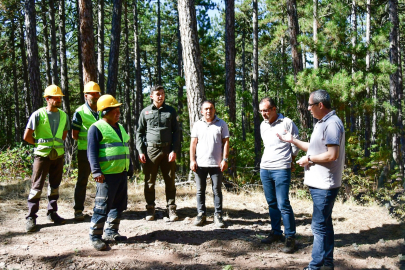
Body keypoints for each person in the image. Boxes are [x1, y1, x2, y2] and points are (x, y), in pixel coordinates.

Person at [277, 90, 345, 270]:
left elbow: (332, 155)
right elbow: (312, 147)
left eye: (310, 105)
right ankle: (328, 263)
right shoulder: (322, 123)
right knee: (325, 224)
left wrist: (309, 159)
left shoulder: (331, 124)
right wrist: (292, 140)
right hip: (319, 184)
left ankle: (315, 266)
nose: (308, 108)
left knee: (318, 227)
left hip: (325, 185)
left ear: (320, 105)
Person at [87, 94, 133, 251]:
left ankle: (112, 231)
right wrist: (96, 171)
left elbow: (125, 147)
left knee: (118, 204)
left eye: (119, 110)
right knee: (103, 205)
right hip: (106, 175)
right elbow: (91, 152)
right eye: (115, 110)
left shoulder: (119, 127)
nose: (118, 113)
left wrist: (130, 166)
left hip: (120, 173)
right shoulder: (96, 128)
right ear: (105, 111)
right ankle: (95, 236)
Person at [23, 85, 70, 232]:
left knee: (55, 186)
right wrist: (40, 145)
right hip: (42, 156)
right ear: (47, 99)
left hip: (58, 155)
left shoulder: (64, 115)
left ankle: (52, 212)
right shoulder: (37, 114)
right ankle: (31, 217)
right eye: (55, 97)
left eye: (60, 97)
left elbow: (64, 135)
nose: (58, 99)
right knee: (36, 186)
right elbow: (27, 137)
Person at [258, 97, 299, 253]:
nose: (263, 114)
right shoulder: (263, 125)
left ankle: (290, 237)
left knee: (283, 204)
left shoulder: (287, 123)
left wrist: (291, 161)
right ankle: (276, 232)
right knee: (272, 203)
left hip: (281, 168)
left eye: (266, 110)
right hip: (265, 168)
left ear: (274, 109)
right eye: (261, 111)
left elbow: (295, 143)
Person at [136, 85, 180, 222]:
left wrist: (174, 150)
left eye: (162, 93)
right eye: (157, 94)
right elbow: (139, 132)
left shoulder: (171, 111)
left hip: (167, 151)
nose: (160, 96)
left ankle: (171, 208)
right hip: (151, 151)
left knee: (170, 180)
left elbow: (176, 132)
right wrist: (141, 151)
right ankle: (150, 208)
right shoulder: (145, 112)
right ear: (151, 96)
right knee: (149, 181)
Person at [190, 101, 230, 228]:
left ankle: (218, 216)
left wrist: (225, 159)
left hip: (217, 164)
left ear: (214, 110)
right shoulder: (197, 125)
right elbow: (193, 144)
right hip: (200, 163)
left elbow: (226, 143)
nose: (208, 111)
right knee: (200, 191)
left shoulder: (221, 124)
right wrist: (192, 160)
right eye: (206, 109)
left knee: (217, 190)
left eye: (211, 108)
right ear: (201, 111)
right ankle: (201, 215)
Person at [71, 81, 101, 221]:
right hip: (85, 151)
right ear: (86, 95)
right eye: (92, 94)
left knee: (103, 181)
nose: (95, 96)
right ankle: (78, 210)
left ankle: (102, 208)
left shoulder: (103, 109)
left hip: (103, 151)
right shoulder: (80, 112)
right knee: (82, 180)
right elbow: (74, 134)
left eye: (97, 93)